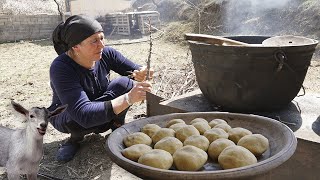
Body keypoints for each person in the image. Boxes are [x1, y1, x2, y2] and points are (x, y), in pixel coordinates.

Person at [49, 14, 153, 162]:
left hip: (96, 103)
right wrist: (129, 98)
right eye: (94, 41)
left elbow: (133, 70)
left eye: (102, 38)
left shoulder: (106, 53)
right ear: (76, 47)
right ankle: (75, 139)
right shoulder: (61, 67)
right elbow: (83, 114)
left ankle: (116, 125)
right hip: (68, 115)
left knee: (125, 83)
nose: (101, 45)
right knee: (76, 114)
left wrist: (142, 72)